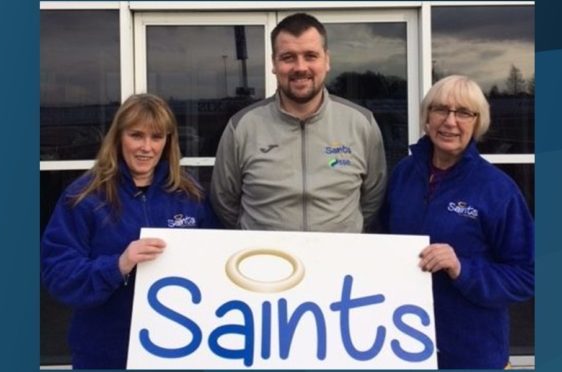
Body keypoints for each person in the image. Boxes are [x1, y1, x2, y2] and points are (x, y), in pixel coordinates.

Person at [41, 93, 220, 369]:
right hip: (104, 354)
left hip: (177, 352)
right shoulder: (84, 197)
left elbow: (215, 266)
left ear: (168, 142)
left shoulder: (190, 196)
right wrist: (118, 265)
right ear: (118, 138)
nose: (146, 147)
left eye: (156, 137)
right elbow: (58, 275)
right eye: (136, 135)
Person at [385, 75, 534, 368]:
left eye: (463, 112)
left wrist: (462, 268)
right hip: (403, 345)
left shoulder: (496, 189)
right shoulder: (403, 174)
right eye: (440, 109)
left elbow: (528, 274)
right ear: (427, 118)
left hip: (471, 351)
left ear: (477, 123)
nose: (450, 121)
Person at [211, 12, 387, 232]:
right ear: (274, 63)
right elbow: (224, 201)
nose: (300, 67)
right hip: (266, 260)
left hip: (339, 261)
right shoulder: (242, 127)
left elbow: (373, 199)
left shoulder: (362, 124)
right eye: (288, 57)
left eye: (310, 56)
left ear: (327, 60)